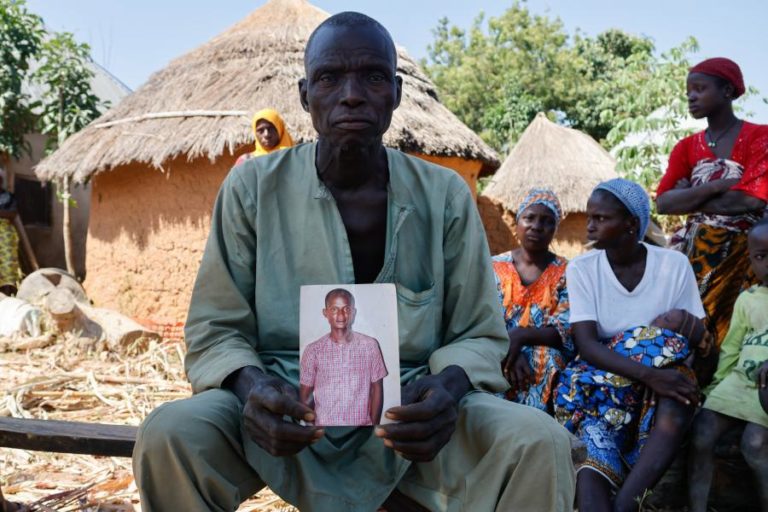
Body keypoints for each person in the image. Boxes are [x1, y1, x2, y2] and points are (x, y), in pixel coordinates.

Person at [132, 12, 575, 512]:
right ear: (305, 96)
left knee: (539, 442)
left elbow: (478, 332)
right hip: (284, 405)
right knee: (170, 435)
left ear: (396, 93)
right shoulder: (253, 187)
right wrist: (253, 388)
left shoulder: (444, 195)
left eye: (371, 76)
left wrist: (447, 392)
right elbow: (215, 327)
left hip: (410, 415)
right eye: (329, 78)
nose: (351, 94)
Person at [555, 178, 706, 512]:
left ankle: (627, 504)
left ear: (631, 224)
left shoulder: (673, 265)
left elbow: (691, 336)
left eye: (601, 218)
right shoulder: (583, 269)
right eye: (590, 216)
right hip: (598, 382)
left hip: (660, 373)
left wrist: (662, 374)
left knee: (677, 402)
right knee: (591, 472)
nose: (590, 224)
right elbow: (587, 345)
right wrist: (647, 376)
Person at [656, 57, 768, 347]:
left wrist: (692, 194)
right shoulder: (686, 147)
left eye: (700, 88)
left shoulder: (760, 137)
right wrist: (719, 185)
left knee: (734, 332)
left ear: (728, 91)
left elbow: (752, 200)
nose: (691, 96)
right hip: (694, 256)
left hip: (745, 252)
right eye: (688, 91)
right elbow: (664, 203)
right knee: (688, 329)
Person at [688, 219, 768, 512]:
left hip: (767, 390)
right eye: (761, 257)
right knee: (703, 430)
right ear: (751, 259)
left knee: (755, 444)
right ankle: (697, 507)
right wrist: (714, 387)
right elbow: (732, 348)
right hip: (739, 382)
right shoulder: (747, 299)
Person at [492, 188, 573, 412]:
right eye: (529, 218)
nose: (536, 226)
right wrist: (509, 346)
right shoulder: (493, 266)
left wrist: (521, 336)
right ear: (517, 222)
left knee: (546, 359)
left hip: (542, 351)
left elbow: (563, 329)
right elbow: (478, 314)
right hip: (496, 346)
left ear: (555, 229)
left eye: (547, 221)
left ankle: (534, 426)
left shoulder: (568, 272)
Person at [299, 288, 388, 426]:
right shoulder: (313, 351)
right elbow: (305, 395)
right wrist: (312, 429)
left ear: (353, 312)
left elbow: (377, 388)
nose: (341, 315)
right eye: (334, 309)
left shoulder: (370, 346)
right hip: (325, 430)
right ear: (325, 313)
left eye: (346, 309)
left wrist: (373, 428)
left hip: (361, 428)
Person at [0, 168, 19, 296]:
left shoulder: (8, 197)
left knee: (8, 263)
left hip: (5, 233)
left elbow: (12, 214)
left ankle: (6, 294)